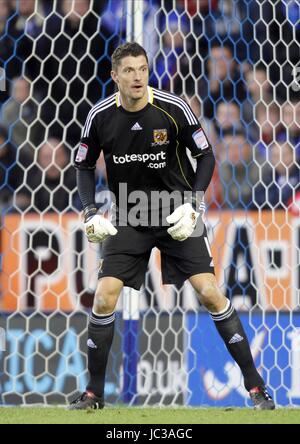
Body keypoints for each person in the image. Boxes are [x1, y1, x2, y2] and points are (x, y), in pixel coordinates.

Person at [71, 42, 275, 411]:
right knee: (103, 297)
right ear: (114, 75)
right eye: (129, 70)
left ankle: (257, 388)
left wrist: (194, 205)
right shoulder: (99, 115)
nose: (137, 76)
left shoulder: (173, 108)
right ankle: (93, 394)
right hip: (130, 214)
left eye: (143, 69)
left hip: (176, 212)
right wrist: (89, 211)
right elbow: (83, 165)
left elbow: (206, 156)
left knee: (210, 292)